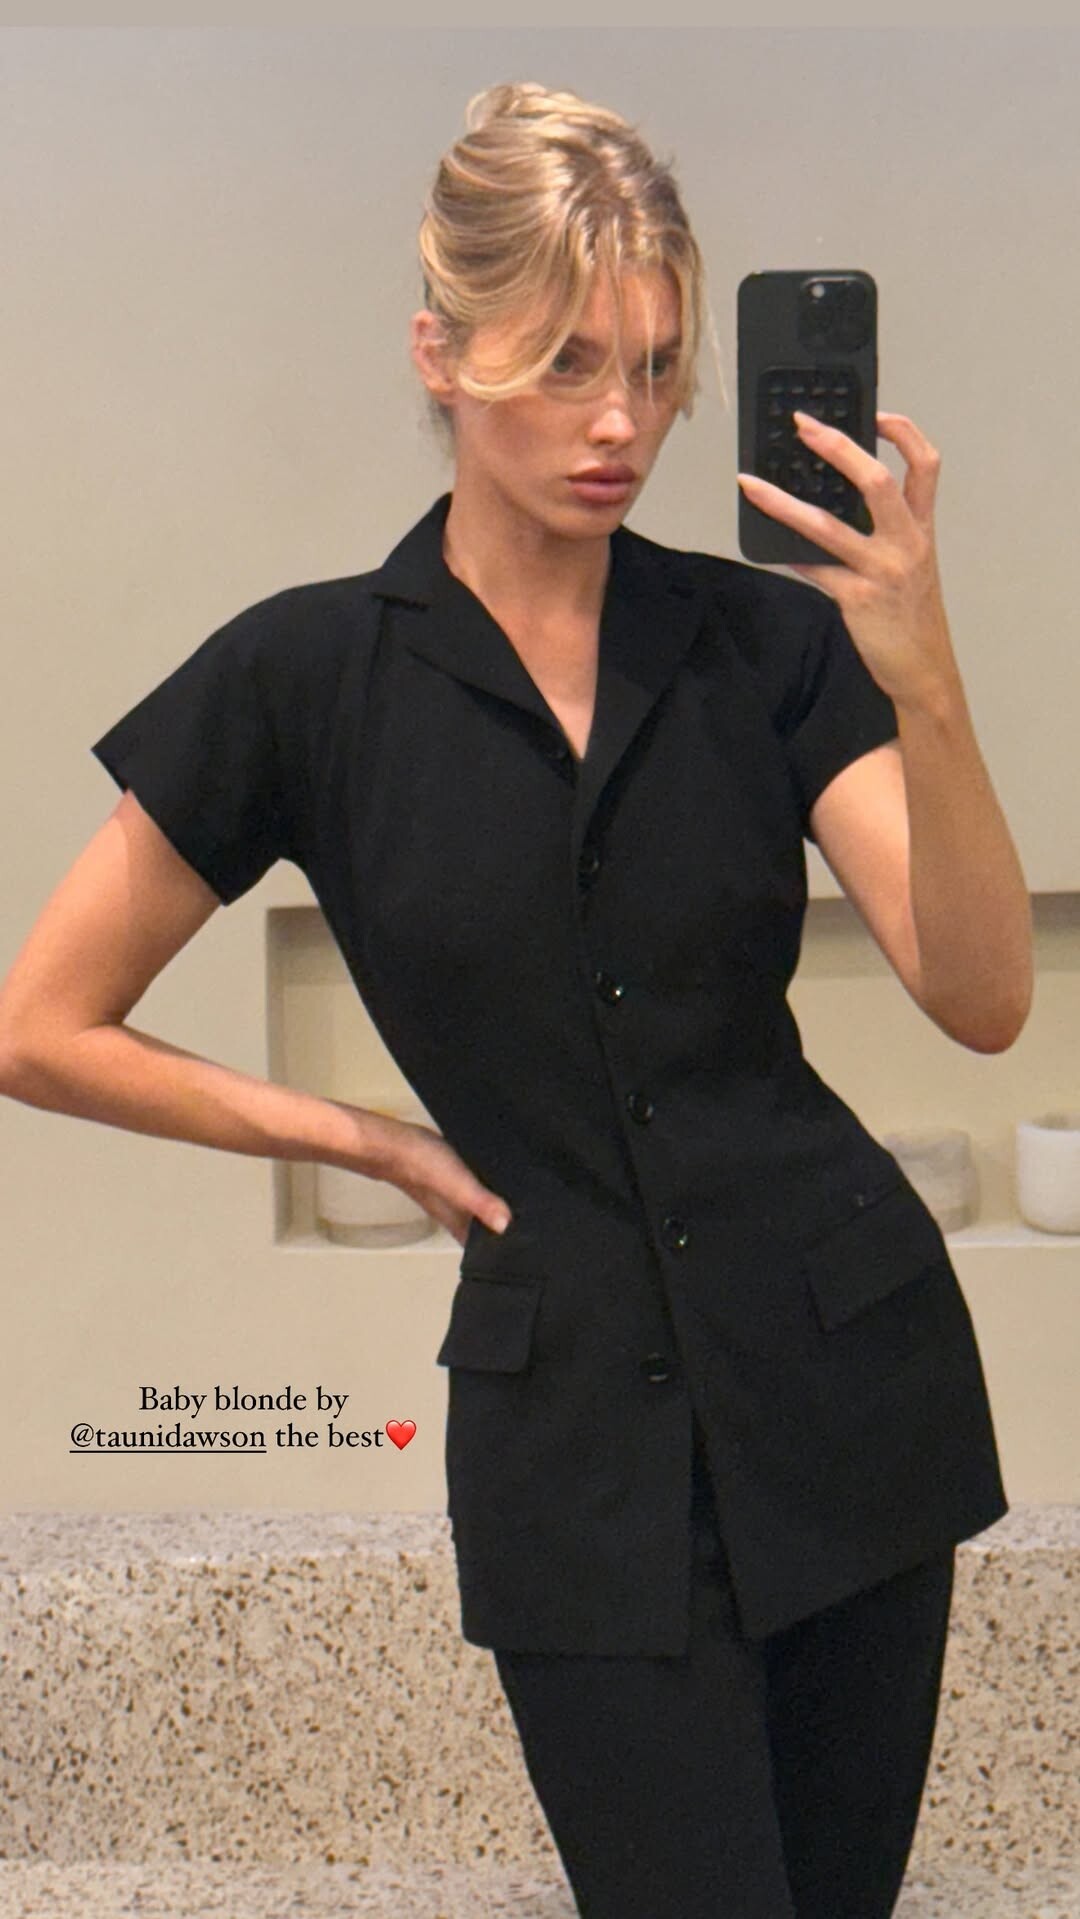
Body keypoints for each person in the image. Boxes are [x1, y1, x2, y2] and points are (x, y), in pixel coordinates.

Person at [0, 79, 1033, 1919]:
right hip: (576, 1455)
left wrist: (926, 675)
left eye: (655, 364)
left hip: (853, 1387)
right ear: (441, 352)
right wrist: (361, 1140)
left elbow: (981, 995)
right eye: (564, 363)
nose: (621, 420)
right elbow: (38, 1026)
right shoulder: (304, 679)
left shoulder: (769, 642)